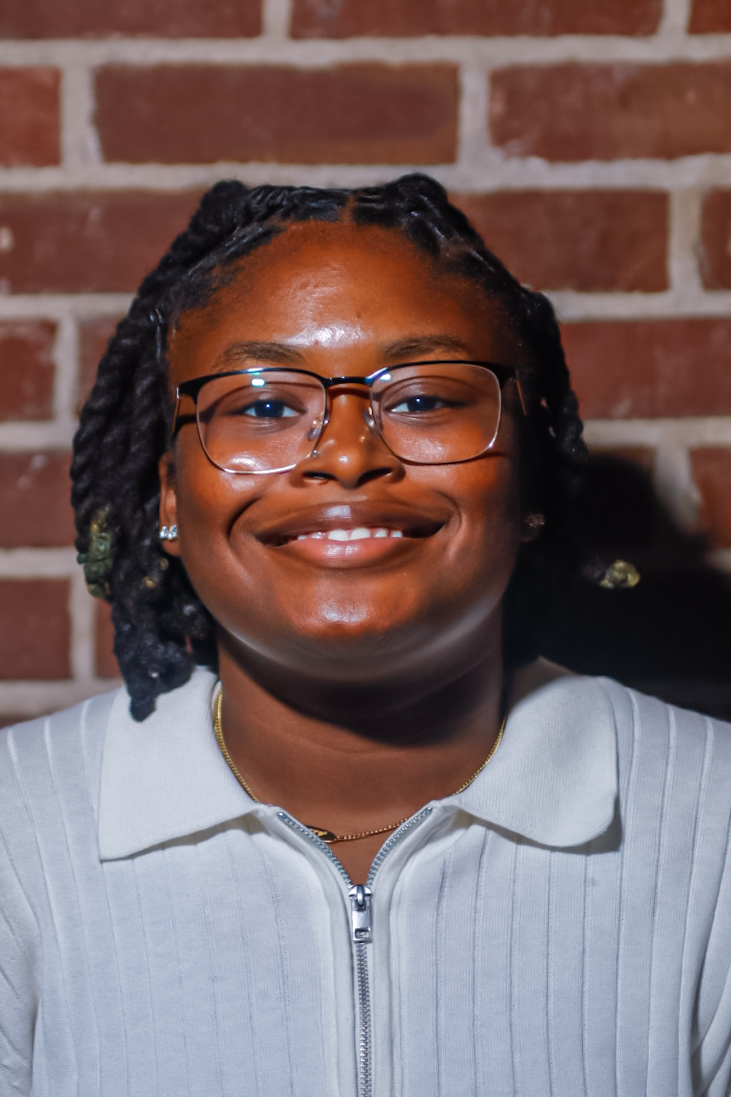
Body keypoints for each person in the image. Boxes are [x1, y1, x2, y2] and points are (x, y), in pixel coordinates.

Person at [1, 174, 730, 1097]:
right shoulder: (17, 837)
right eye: (266, 406)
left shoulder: (713, 828)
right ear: (171, 494)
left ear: (531, 480)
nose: (348, 455)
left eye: (423, 399)